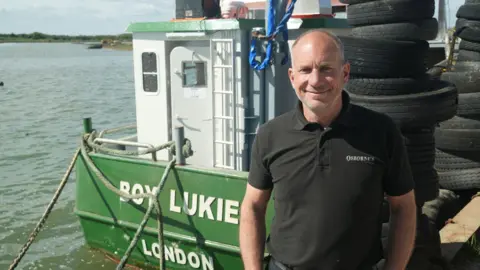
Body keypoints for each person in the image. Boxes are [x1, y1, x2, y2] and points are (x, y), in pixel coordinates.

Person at [239, 29, 417, 270]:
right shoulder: (271, 135)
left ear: (345, 73)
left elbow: (404, 207)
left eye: (325, 69)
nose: (315, 80)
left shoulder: (381, 132)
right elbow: (252, 206)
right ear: (292, 77)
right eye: (305, 70)